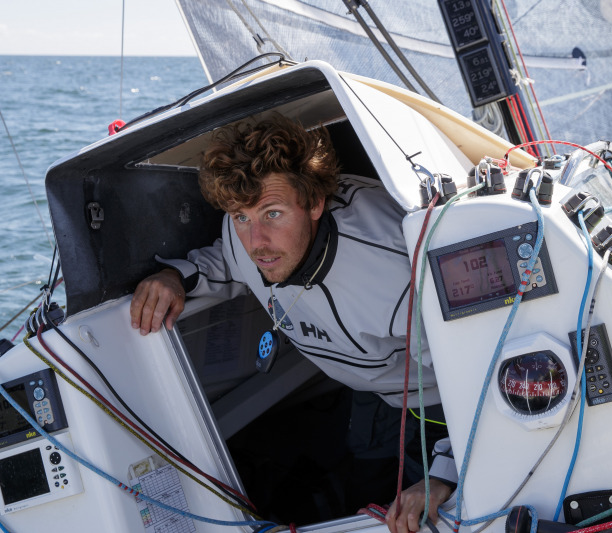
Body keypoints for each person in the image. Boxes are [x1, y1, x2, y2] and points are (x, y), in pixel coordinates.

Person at [129, 115, 455, 533]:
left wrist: (443, 476)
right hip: (371, 387)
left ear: (315, 203)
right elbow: (228, 259)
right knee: (366, 479)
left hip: (436, 402)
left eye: (273, 213)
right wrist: (174, 277)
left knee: (412, 509)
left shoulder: (396, 270)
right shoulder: (246, 233)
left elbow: (475, 376)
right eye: (241, 217)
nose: (256, 242)